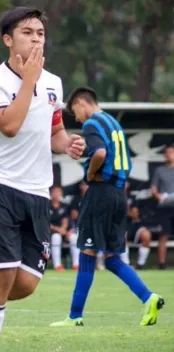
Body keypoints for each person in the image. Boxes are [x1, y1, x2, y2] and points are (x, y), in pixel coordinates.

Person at [0, 7, 85, 351]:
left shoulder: (53, 82)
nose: (36, 38)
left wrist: (68, 144)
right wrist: (28, 81)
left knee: (25, 284)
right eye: (27, 32)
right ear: (8, 40)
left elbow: (54, 132)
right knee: (4, 275)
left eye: (40, 33)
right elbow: (9, 126)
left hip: (38, 190)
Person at [50, 86, 164, 327]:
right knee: (112, 258)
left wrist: (90, 173)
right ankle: (149, 297)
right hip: (118, 195)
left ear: (82, 102)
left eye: (75, 113)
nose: (78, 118)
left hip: (101, 193)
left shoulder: (92, 124)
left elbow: (99, 153)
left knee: (87, 253)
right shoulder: (114, 124)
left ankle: (74, 317)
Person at [151, 145, 174, 269]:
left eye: (171, 152)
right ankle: (162, 264)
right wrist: (159, 196)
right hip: (164, 207)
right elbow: (154, 189)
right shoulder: (159, 170)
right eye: (166, 152)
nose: (168, 154)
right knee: (163, 235)